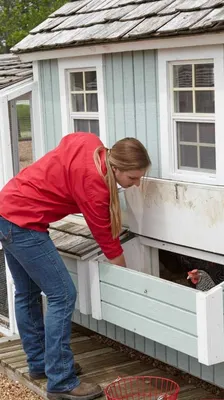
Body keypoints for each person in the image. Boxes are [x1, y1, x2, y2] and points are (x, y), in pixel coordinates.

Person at [0, 132, 151, 400]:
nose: (136, 184)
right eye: (133, 178)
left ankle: (41, 365)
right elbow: (108, 241)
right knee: (63, 294)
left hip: (7, 208)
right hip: (24, 223)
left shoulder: (90, 142)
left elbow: (70, 140)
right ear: (115, 167)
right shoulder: (94, 186)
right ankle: (60, 380)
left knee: (27, 294)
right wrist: (129, 277)